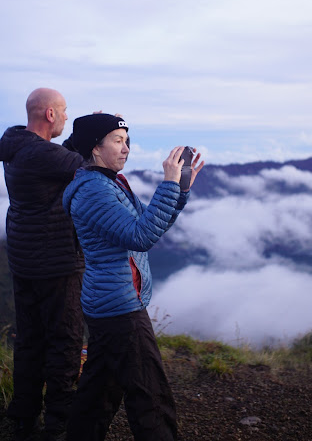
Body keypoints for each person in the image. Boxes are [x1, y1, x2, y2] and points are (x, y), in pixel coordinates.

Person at [62, 113, 204, 441]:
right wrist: (168, 184)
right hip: (119, 308)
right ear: (95, 149)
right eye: (117, 141)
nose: (126, 148)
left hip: (110, 301)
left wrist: (179, 192)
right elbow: (141, 237)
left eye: (127, 140)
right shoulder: (93, 191)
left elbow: (151, 224)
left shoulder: (110, 183)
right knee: (151, 398)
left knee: (99, 392)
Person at [0, 88, 86, 441]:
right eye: (65, 111)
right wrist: (92, 133)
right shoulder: (41, 154)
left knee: (30, 340)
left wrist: (75, 139)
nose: (67, 116)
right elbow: (86, 166)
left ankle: (23, 419)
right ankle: (58, 424)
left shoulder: (16, 144)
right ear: (50, 114)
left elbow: (57, 159)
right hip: (56, 261)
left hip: (24, 257)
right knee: (64, 341)